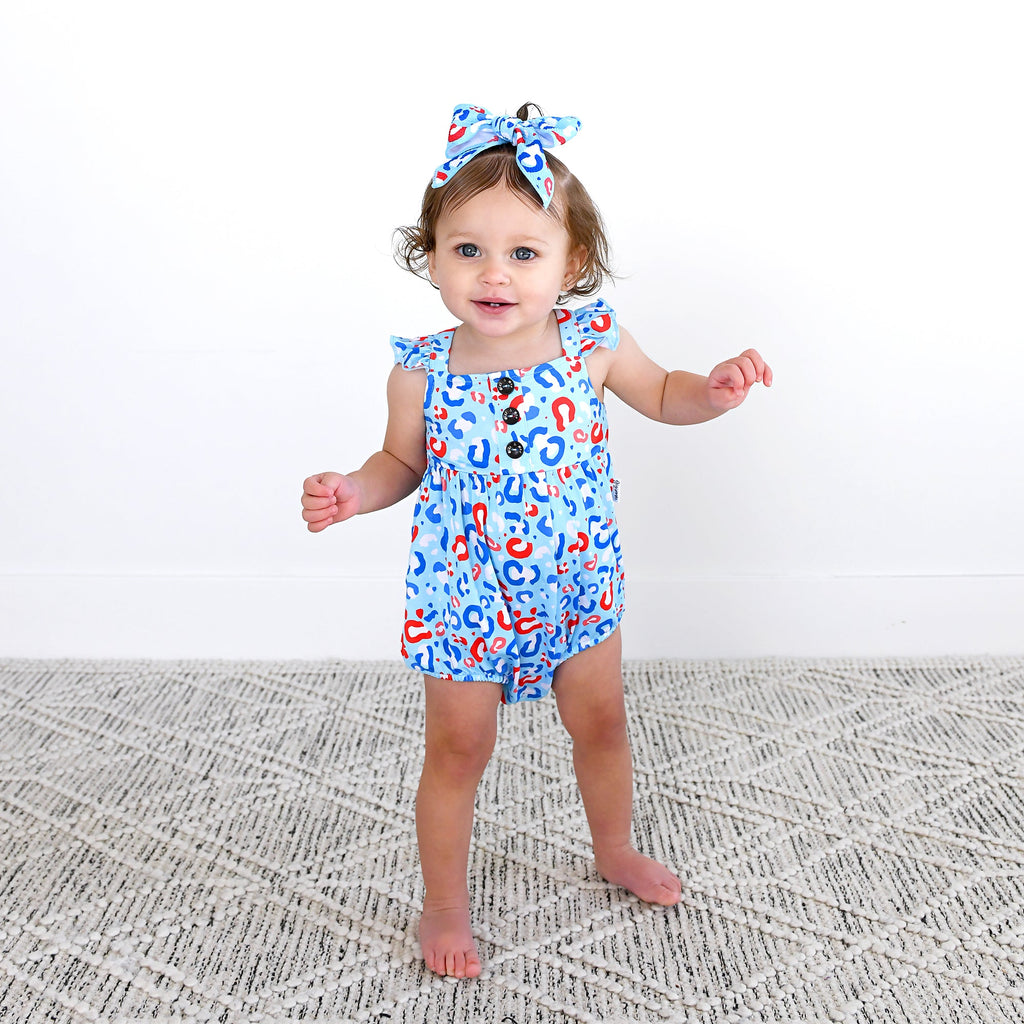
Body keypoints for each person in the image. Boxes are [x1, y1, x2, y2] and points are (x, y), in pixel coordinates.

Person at [301, 103, 772, 979]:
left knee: (601, 723)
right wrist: (355, 491)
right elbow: (400, 462)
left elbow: (663, 393)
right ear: (431, 255)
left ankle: (614, 847)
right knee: (458, 749)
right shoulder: (421, 371)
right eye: (467, 249)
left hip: (576, 584)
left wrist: (711, 391)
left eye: (524, 253)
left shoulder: (592, 342)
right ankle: (443, 904)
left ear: (572, 262)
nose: (494, 273)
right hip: (465, 594)